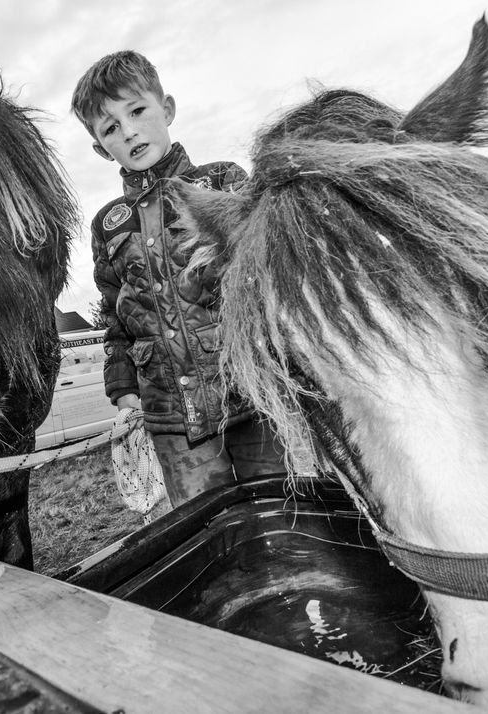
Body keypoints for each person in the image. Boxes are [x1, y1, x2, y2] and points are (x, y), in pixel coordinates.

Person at [71, 50, 303, 507]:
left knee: (280, 513)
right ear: (101, 149)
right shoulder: (108, 224)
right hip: (170, 416)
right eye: (111, 128)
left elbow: (265, 281)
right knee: (206, 534)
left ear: (168, 109)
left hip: (251, 397)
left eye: (137, 111)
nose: (129, 130)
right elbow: (115, 316)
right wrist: (121, 390)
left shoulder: (224, 181)